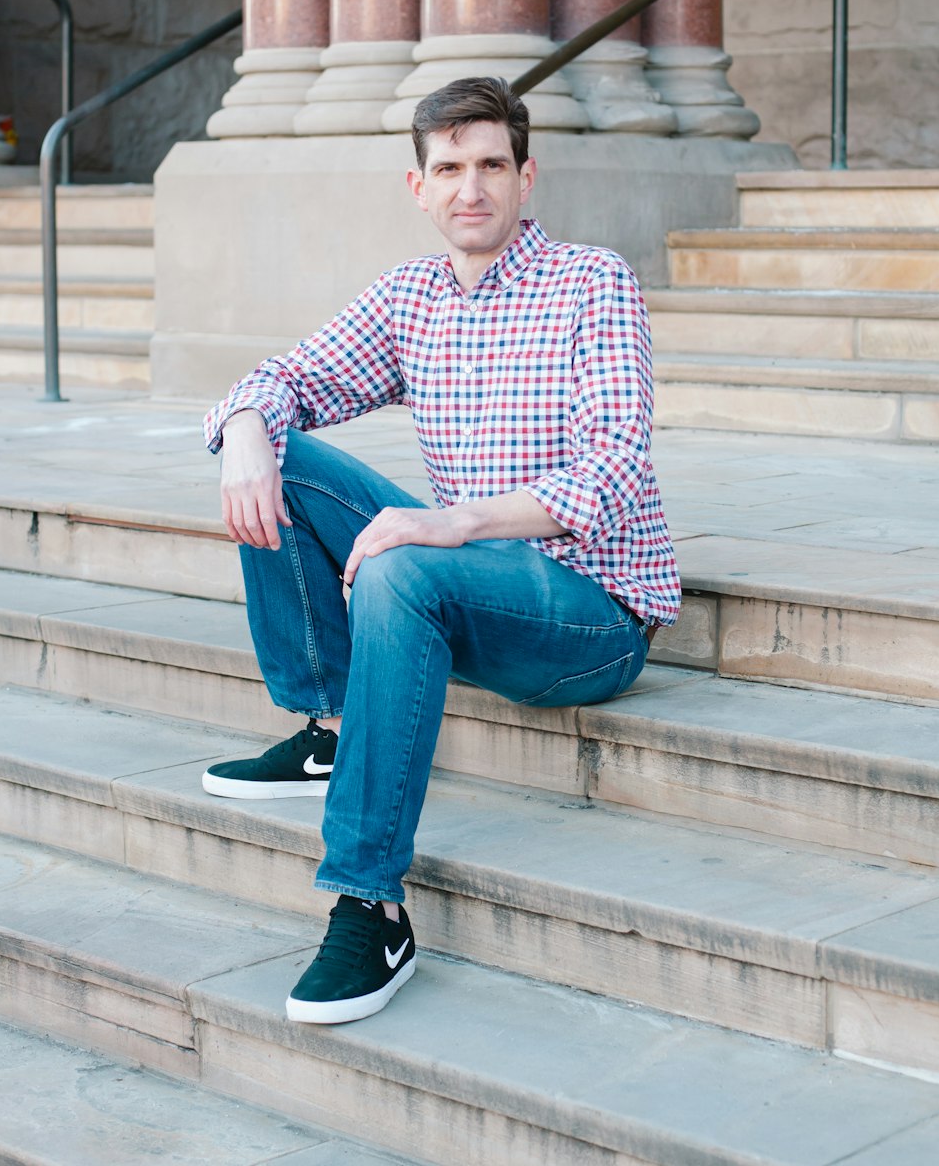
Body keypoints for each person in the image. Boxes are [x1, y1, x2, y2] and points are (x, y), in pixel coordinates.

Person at [201, 76, 681, 1026]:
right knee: (279, 458)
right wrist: (249, 426)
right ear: (417, 187)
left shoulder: (594, 281)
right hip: (470, 577)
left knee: (403, 563)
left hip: (593, 615)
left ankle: (371, 906)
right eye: (449, 168)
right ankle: (331, 730)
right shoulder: (411, 296)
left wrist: (456, 521)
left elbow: (615, 469)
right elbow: (284, 377)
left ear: (526, 176)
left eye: (491, 165)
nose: (472, 187)